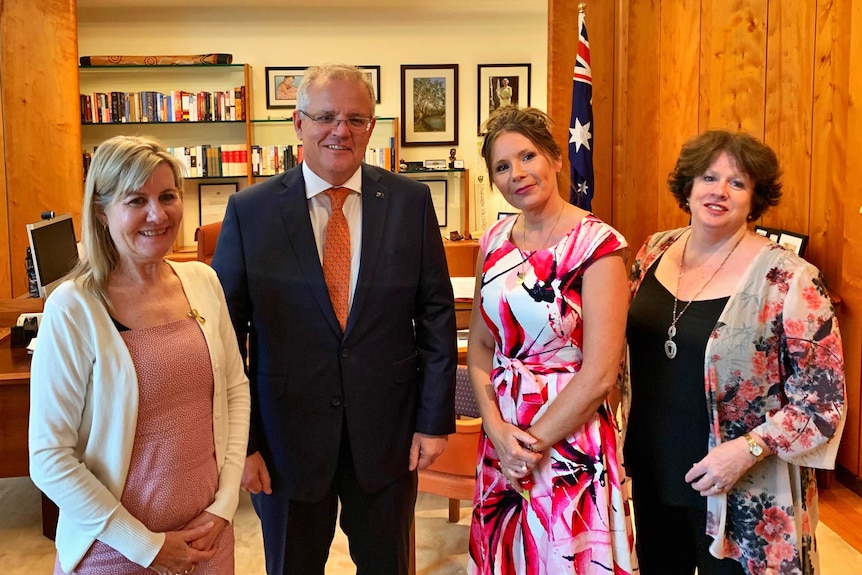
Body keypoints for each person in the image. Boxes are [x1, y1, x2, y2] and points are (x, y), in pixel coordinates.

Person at [211, 63, 457, 575]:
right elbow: (226, 337)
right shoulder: (249, 211)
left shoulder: (410, 202)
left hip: (388, 438)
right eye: (325, 116)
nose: (340, 129)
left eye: (355, 118)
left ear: (371, 127)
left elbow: (435, 315)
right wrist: (242, 444)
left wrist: (433, 422)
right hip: (285, 444)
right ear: (298, 125)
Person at [625, 130, 846, 575]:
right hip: (652, 467)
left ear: (756, 199)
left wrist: (747, 449)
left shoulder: (790, 279)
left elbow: (823, 400)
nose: (718, 192)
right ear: (687, 186)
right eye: (708, 177)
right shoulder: (653, 251)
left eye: (737, 183)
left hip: (743, 484)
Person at [28, 135, 251, 575]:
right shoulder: (74, 306)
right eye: (136, 200)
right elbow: (49, 458)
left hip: (208, 537)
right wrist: (146, 546)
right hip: (113, 548)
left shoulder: (203, 282)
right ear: (101, 211)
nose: (158, 213)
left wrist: (224, 506)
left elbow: (235, 392)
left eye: (168, 196)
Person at [467, 105, 637, 574]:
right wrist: (500, 435)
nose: (517, 174)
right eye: (502, 167)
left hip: (568, 436)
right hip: (503, 429)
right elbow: (482, 345)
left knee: (563, 557)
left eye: (527, 157)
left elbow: (602, 372)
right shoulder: (494, 240)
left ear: (556, 160)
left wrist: (529, 445)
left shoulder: (598, 246)